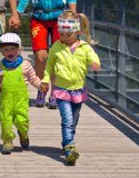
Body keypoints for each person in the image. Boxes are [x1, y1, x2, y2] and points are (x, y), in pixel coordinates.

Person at [17, 0, 77, 109]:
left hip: (59, 18)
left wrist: (74, 18)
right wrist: (17, 12)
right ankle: (41, 89)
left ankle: (55, 92)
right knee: (41, 56)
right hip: (39, 17)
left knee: (58, 57)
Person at [41, 10, 100, 165]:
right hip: (61, 89)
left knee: (74, 118)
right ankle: (69, 146)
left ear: (77, 32)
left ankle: (68, 139)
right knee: (67, 119)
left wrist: (95, 63)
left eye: (68, 35)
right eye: (61, 34)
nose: (64, 38)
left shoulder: (85, 47)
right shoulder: (56, 47)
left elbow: (92, 56)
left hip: (79, 89)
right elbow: (49, 66)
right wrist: (45, 81)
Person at [0, 33, 48, 154]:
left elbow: (33, 79)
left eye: (13, 49)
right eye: (6, 49)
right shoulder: (0, 67)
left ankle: (23, 134)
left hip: (21, 101)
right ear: (2, 52)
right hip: (6, 101)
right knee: (5, 122)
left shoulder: (26, 65)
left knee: (22, 121)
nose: (10, 52)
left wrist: (40, 86)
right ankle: (7, 141)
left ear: (19, 50)